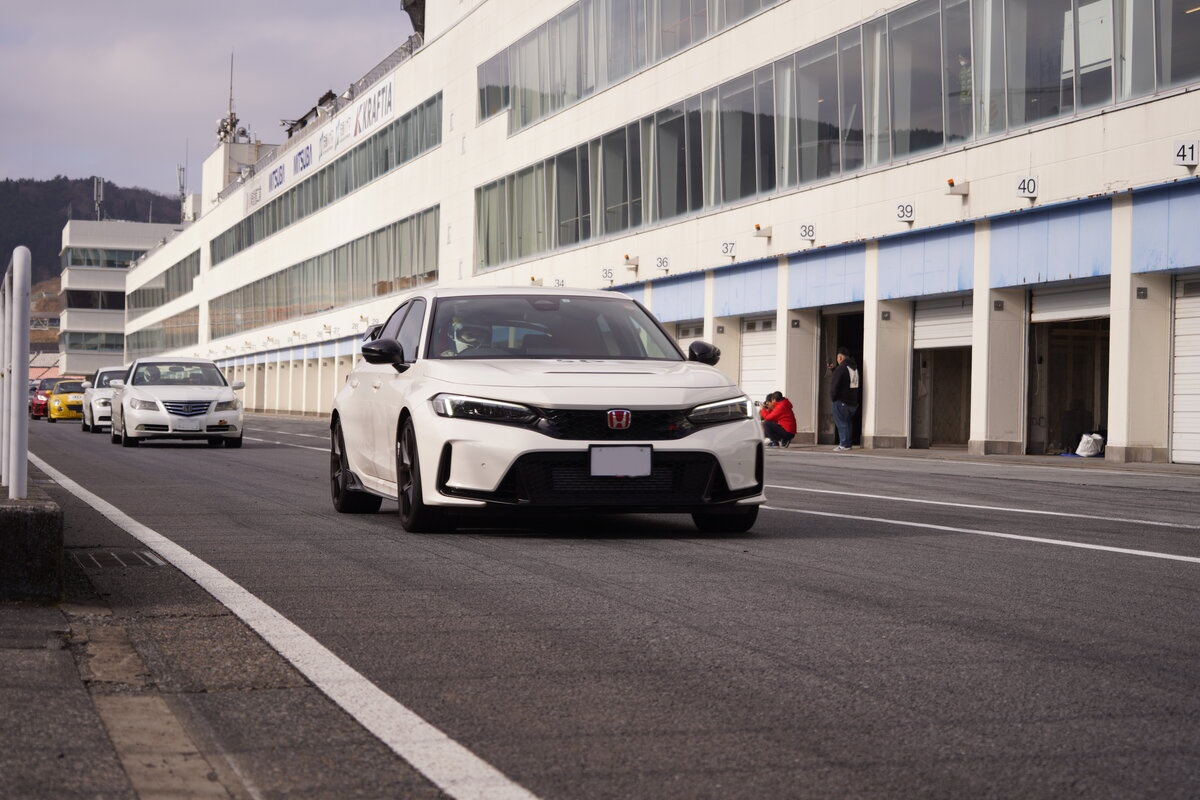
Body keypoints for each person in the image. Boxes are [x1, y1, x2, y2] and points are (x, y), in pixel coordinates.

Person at [829, 347, 860, 451]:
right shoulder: (854, 368)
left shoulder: (841, 368)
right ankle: (847, 443)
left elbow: (835, 385)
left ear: (840, 357)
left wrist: (833, 398)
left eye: (838, 358)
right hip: (852, 402)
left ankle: (844, 444)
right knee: (847, 423)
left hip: (841, 401)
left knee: (841, 423)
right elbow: (847, 379)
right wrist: (834, 369)